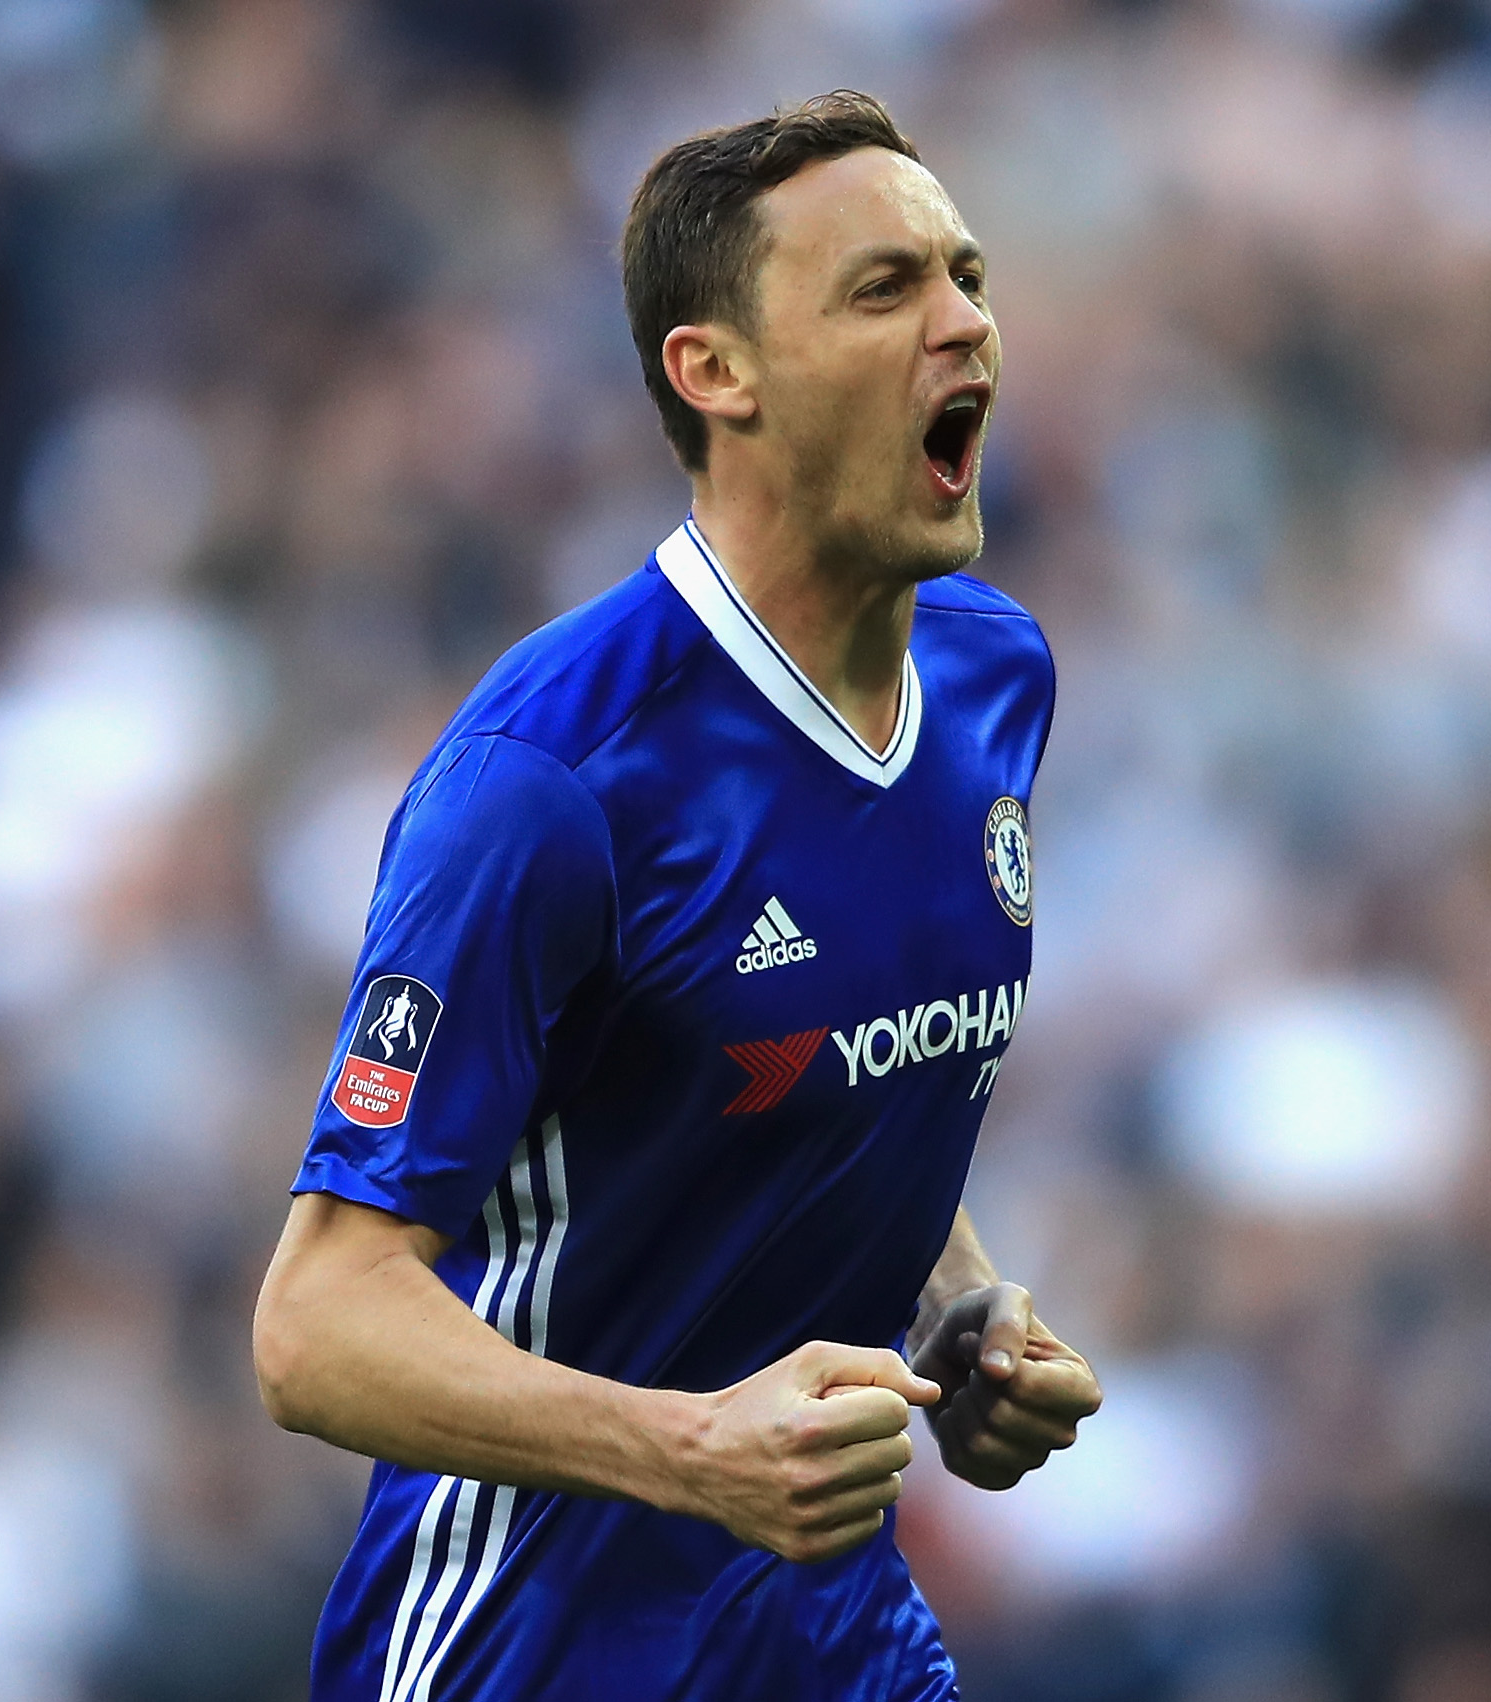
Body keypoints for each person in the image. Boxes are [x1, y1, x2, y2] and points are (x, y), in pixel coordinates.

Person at [252, 89, 1102, 1702]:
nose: (964, 324)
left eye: (966, 274)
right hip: (531, 1653)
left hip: (834, 1638)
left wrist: (958, 1304)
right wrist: (694, 1445)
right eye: (883, 288)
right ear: (716, 374)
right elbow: (316, 1323)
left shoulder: (995, 673)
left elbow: (827, 1058)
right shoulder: (552, 780)